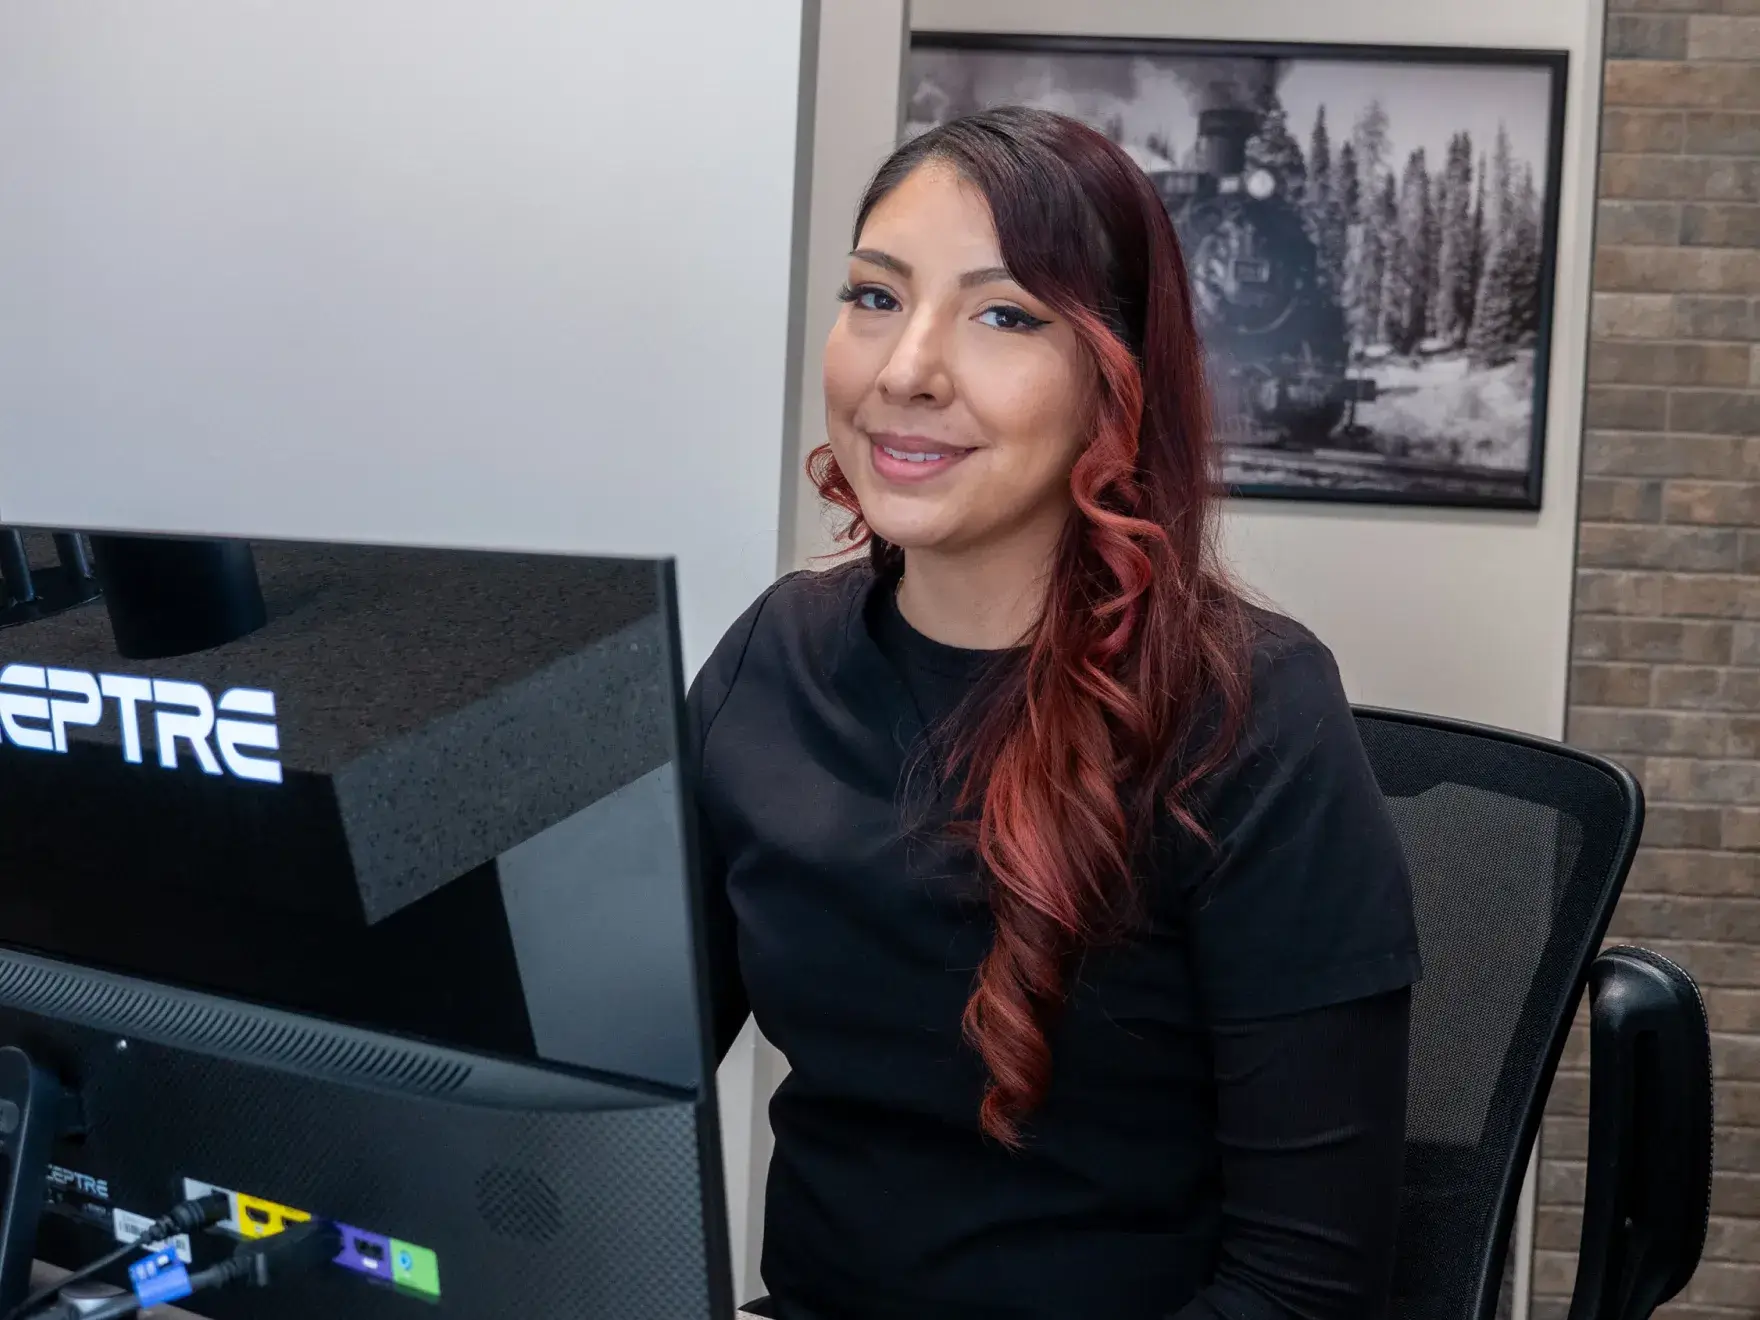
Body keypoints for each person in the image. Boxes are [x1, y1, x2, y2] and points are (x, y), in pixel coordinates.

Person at [688, 107, 1421, 1320]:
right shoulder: (775, 658)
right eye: (874, 297)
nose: (904, 368)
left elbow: (1304, 1291)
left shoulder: (1251, 713)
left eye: (1002, 315)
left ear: (1112, 382)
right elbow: (602, 1084)